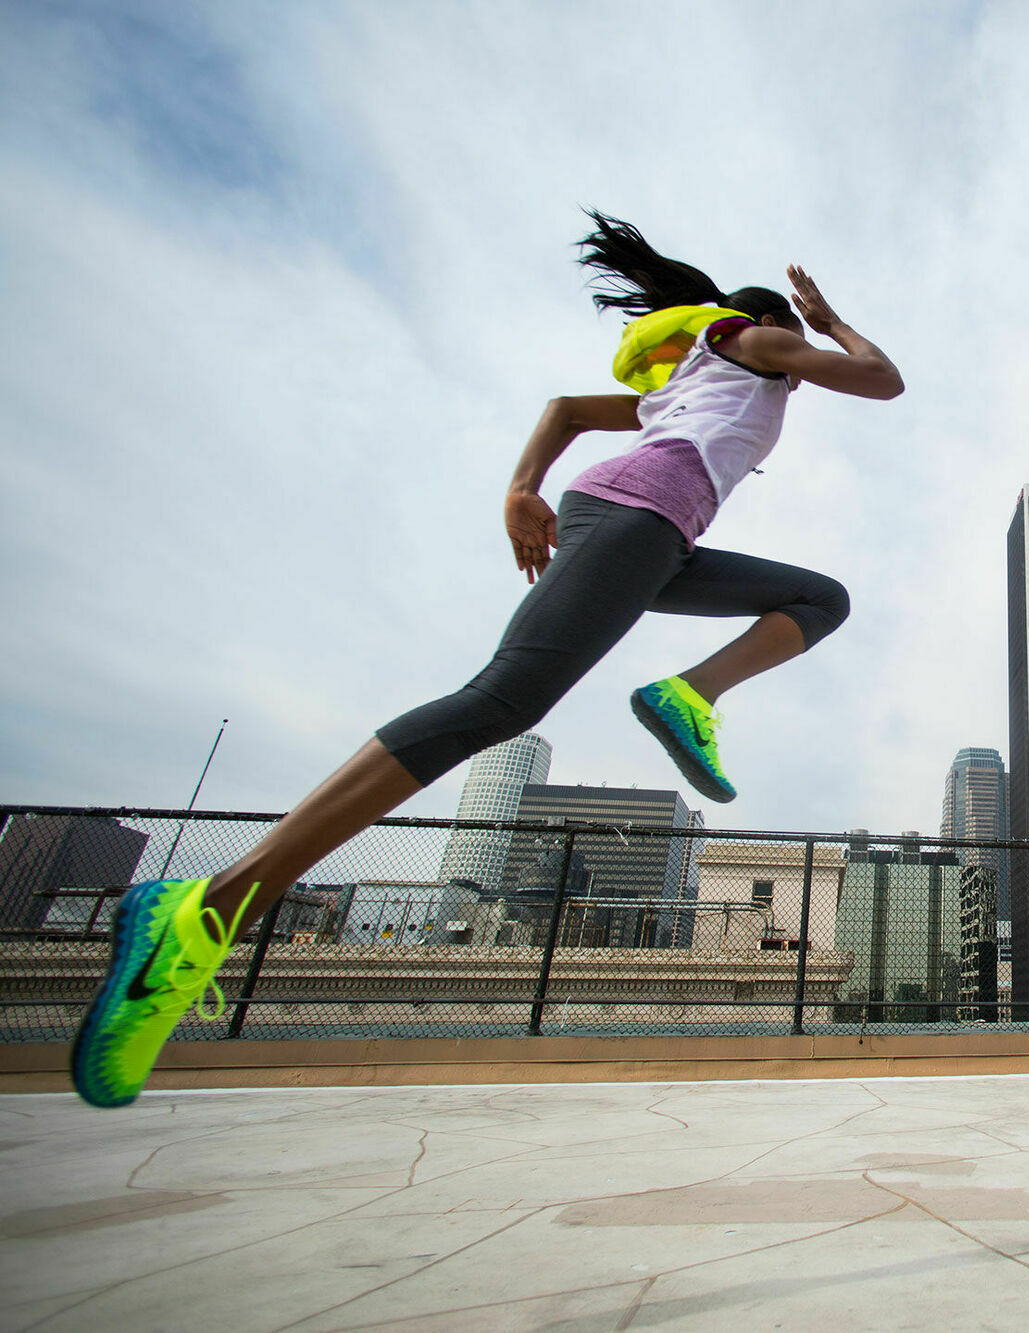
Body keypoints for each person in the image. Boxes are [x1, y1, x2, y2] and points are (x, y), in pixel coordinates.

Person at [70, 211, 903, 1107]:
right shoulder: (755, 341)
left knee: (820, 598)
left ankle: (687, 694)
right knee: (502, 700)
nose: (797, 372)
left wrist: (523, 487)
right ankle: (212, 906)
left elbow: (565, 410)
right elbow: (883, 381)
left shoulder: (690, 382)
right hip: (641, 518)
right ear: (763, 327)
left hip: (650, 532)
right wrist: (826, 321)